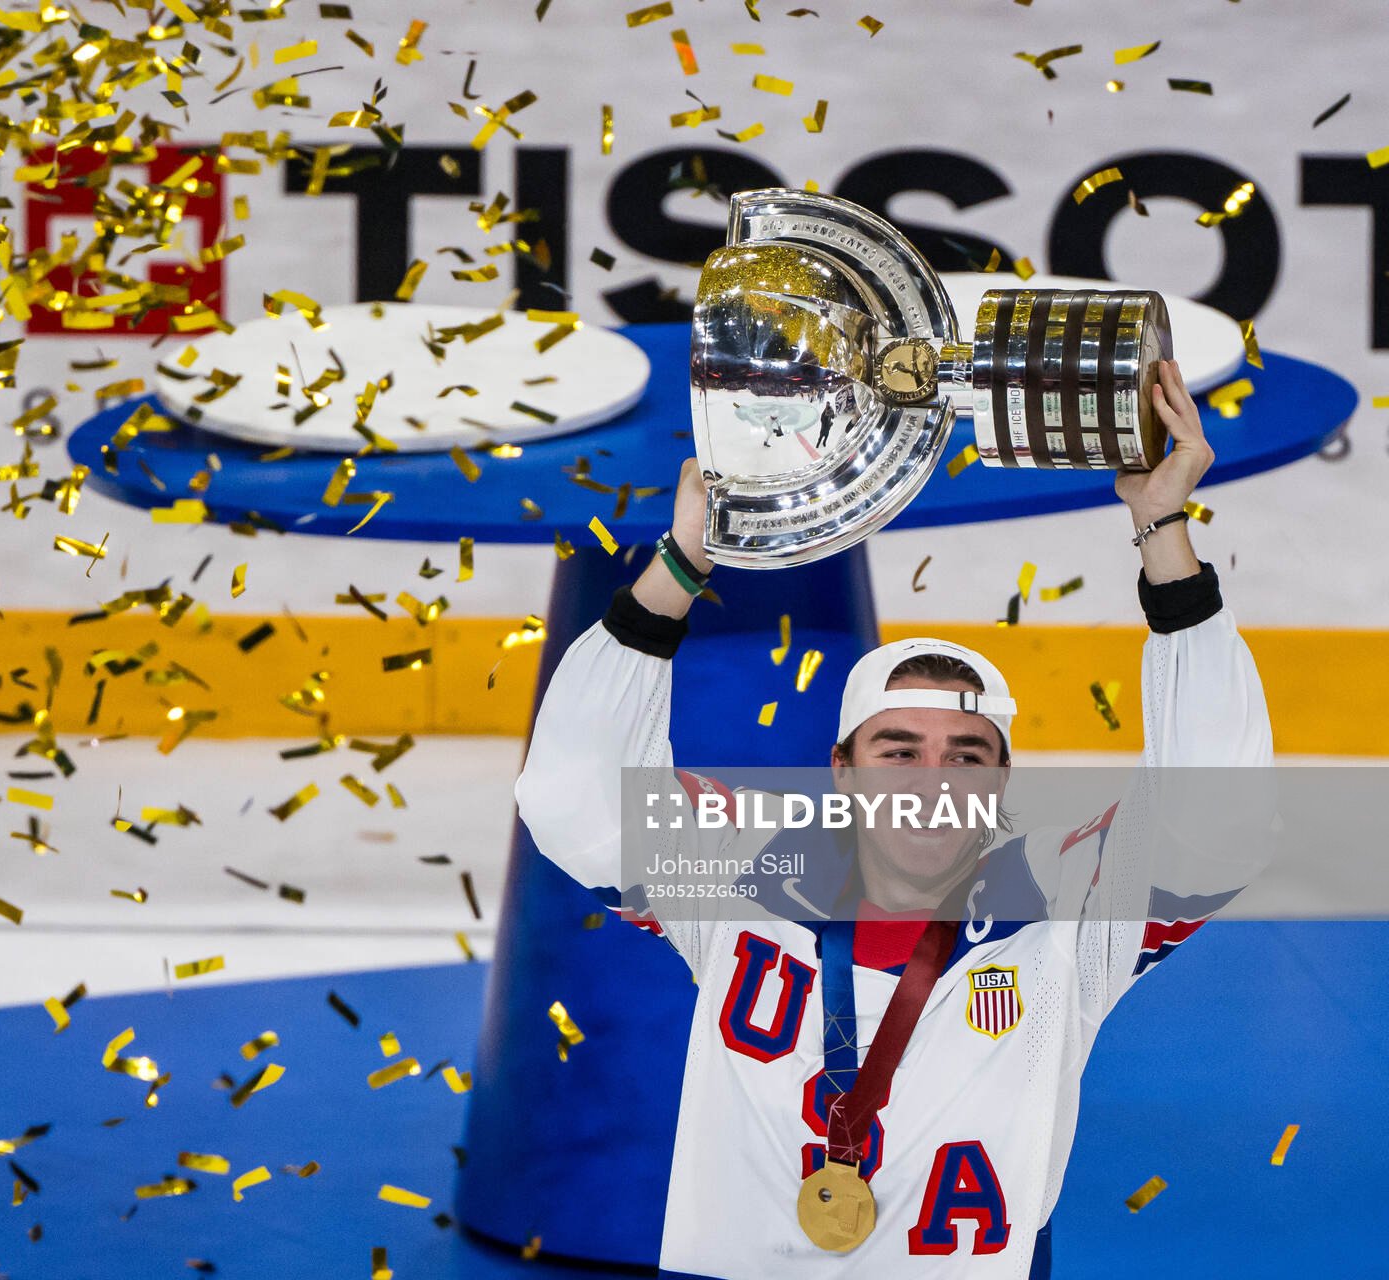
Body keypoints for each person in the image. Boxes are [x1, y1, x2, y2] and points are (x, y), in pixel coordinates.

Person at [513, 359, 1273, 1278]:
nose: (931, 784)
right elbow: (571, 796)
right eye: (899, 752)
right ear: (842, 772)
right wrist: (681, 563)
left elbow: (1218, 817)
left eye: (966, 757)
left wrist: (1161, 526)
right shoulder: (740, 872)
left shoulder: (1065, 915)